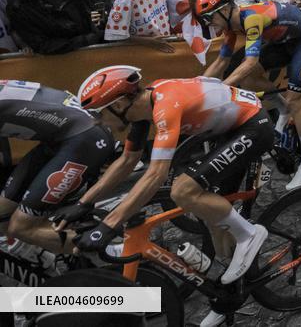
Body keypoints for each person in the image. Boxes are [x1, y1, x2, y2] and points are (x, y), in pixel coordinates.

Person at [69, 68, 272, 291]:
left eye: (98, 114)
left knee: (182, 190)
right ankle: (231, 292)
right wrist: (83, 203)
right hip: (229, 129)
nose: (98, 122)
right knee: (215, 222)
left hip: (252, 126)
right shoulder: (143, 107)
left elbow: (156, 174)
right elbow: (128, 160)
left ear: (117, 105)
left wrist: (107, 226)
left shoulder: (165, 107)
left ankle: (249, 234)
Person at [196, 0, 301, 189]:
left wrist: (221, 88)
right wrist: (196, 85)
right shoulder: (231, 26)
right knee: (249, 79)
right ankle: (283, 109)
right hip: (285, 41)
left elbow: (249, 62)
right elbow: (222, 61)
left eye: (209, 17)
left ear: (224, 10)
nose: (209, 23)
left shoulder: (251, 19)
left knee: (295, 101)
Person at [0, 80, 114, 255]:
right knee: (3, 214)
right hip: (64, 137)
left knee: (20, 227)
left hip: (85, 139)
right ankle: (43, 258)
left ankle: (115, 254)